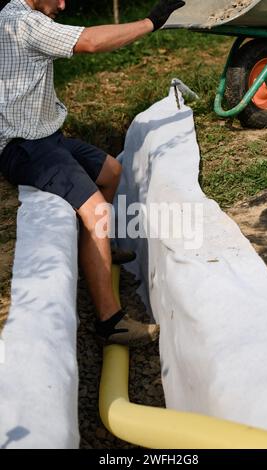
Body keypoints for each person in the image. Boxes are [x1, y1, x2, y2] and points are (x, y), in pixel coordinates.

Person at [0, 0, 185, 346]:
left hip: (46, 138)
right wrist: (149, 23)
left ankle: (99, 252)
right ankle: (109, 323)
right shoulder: (23, 23)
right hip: (25, 148)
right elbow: (91, 42)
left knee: (111, 171)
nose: (63, 4)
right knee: (97, 211)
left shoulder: (23, 19)